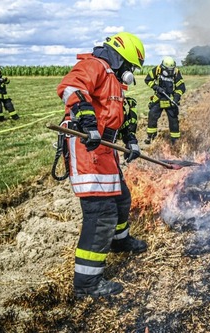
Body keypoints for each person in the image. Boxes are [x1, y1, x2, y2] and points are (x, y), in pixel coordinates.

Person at [56, 31, 147, 298]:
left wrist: (130, 139)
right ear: (122, 58)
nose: (130, 73)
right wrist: (86, 121)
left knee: (121, 199)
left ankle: (120, 242)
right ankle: (87, 284)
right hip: (87, 148)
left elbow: (121, 114)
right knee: (101, 214)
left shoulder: (113, 80)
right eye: (131, 66)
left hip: (106, 150)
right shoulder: (95, 65)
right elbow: (70, 87)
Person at [143, 56, 186, 145]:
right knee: (152, 116)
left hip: (170, 100)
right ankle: (151, 136)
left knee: (173, 120)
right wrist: (156, 87)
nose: (170, 71)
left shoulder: (176, 72)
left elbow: (181, 87)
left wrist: (176, 97)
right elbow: (148, 79)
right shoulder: (157, 70)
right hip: (158, 98)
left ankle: (175, 140)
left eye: (172, 69)